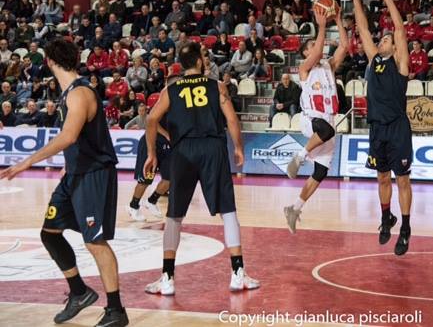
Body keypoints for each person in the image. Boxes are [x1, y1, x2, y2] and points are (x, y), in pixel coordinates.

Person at [0, 39, 128, 326]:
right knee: (50, 232)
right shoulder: (69, 92)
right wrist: (69, 167)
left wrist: (26, 162)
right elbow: (78, 141)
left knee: (95, 242)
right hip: (75, 174)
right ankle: (79, 292)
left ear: (49, 62)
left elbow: (69, 137)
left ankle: (116, 310)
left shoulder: (80, 93)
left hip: (93, 174)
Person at [143, 42, 259, 295]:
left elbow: (151, 119)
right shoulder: (216, 86)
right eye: (204, 57)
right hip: (212, 149)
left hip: (182, 151)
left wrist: (152, 153)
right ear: (198, 62)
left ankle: (167, 278)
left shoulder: (170, 89)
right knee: (227, 210)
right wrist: (238, 147)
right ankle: (238, 273)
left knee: (174, 214)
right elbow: (231, 119)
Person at [352, 0, 413, 256]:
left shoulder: (400, 63)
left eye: (386, 38)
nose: (383, 38)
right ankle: (386, 217)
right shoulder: (374, 58)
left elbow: (400, 30)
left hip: (398, 127)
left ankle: (406, 228)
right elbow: (363, 28)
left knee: (402, 179)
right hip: (376, 128)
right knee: (382, 178)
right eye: (383, 37)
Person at [284, 8, 349, 232]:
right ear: (304, 53)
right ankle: (299, 156)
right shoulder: (304, 69)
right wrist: (321, 26)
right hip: (311, 119)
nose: (316, 47)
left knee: (320, 173)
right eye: (311, 46)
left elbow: (344, 46)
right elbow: (319, 53)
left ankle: (294, 208)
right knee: (327, 131)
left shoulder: (329, 67)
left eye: (315, 44)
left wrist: (338, 20)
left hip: (327, 122)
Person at [127, 108, 173, 222]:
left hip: (167, 146)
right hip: (150, 143)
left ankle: (151, 201)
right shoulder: (166, 103)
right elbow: (151, 121)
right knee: (146, 179)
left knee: (170, 178)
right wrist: (166, 134)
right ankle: (133, 206)